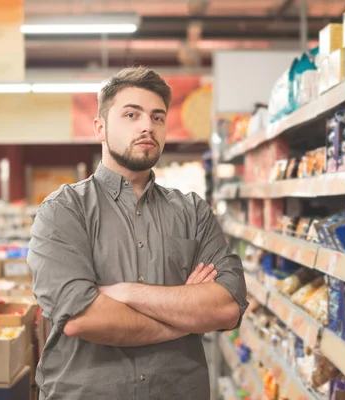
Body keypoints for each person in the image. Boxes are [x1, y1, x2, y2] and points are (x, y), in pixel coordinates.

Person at [27, 66, 248, 399]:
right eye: (132, 114)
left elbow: (228, 306)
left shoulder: (193, 211)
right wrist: (185, 317)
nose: (147, 125)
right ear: (100, 127)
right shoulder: (64, 210)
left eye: (158, 118)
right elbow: (82, 318)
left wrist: (125, 293)